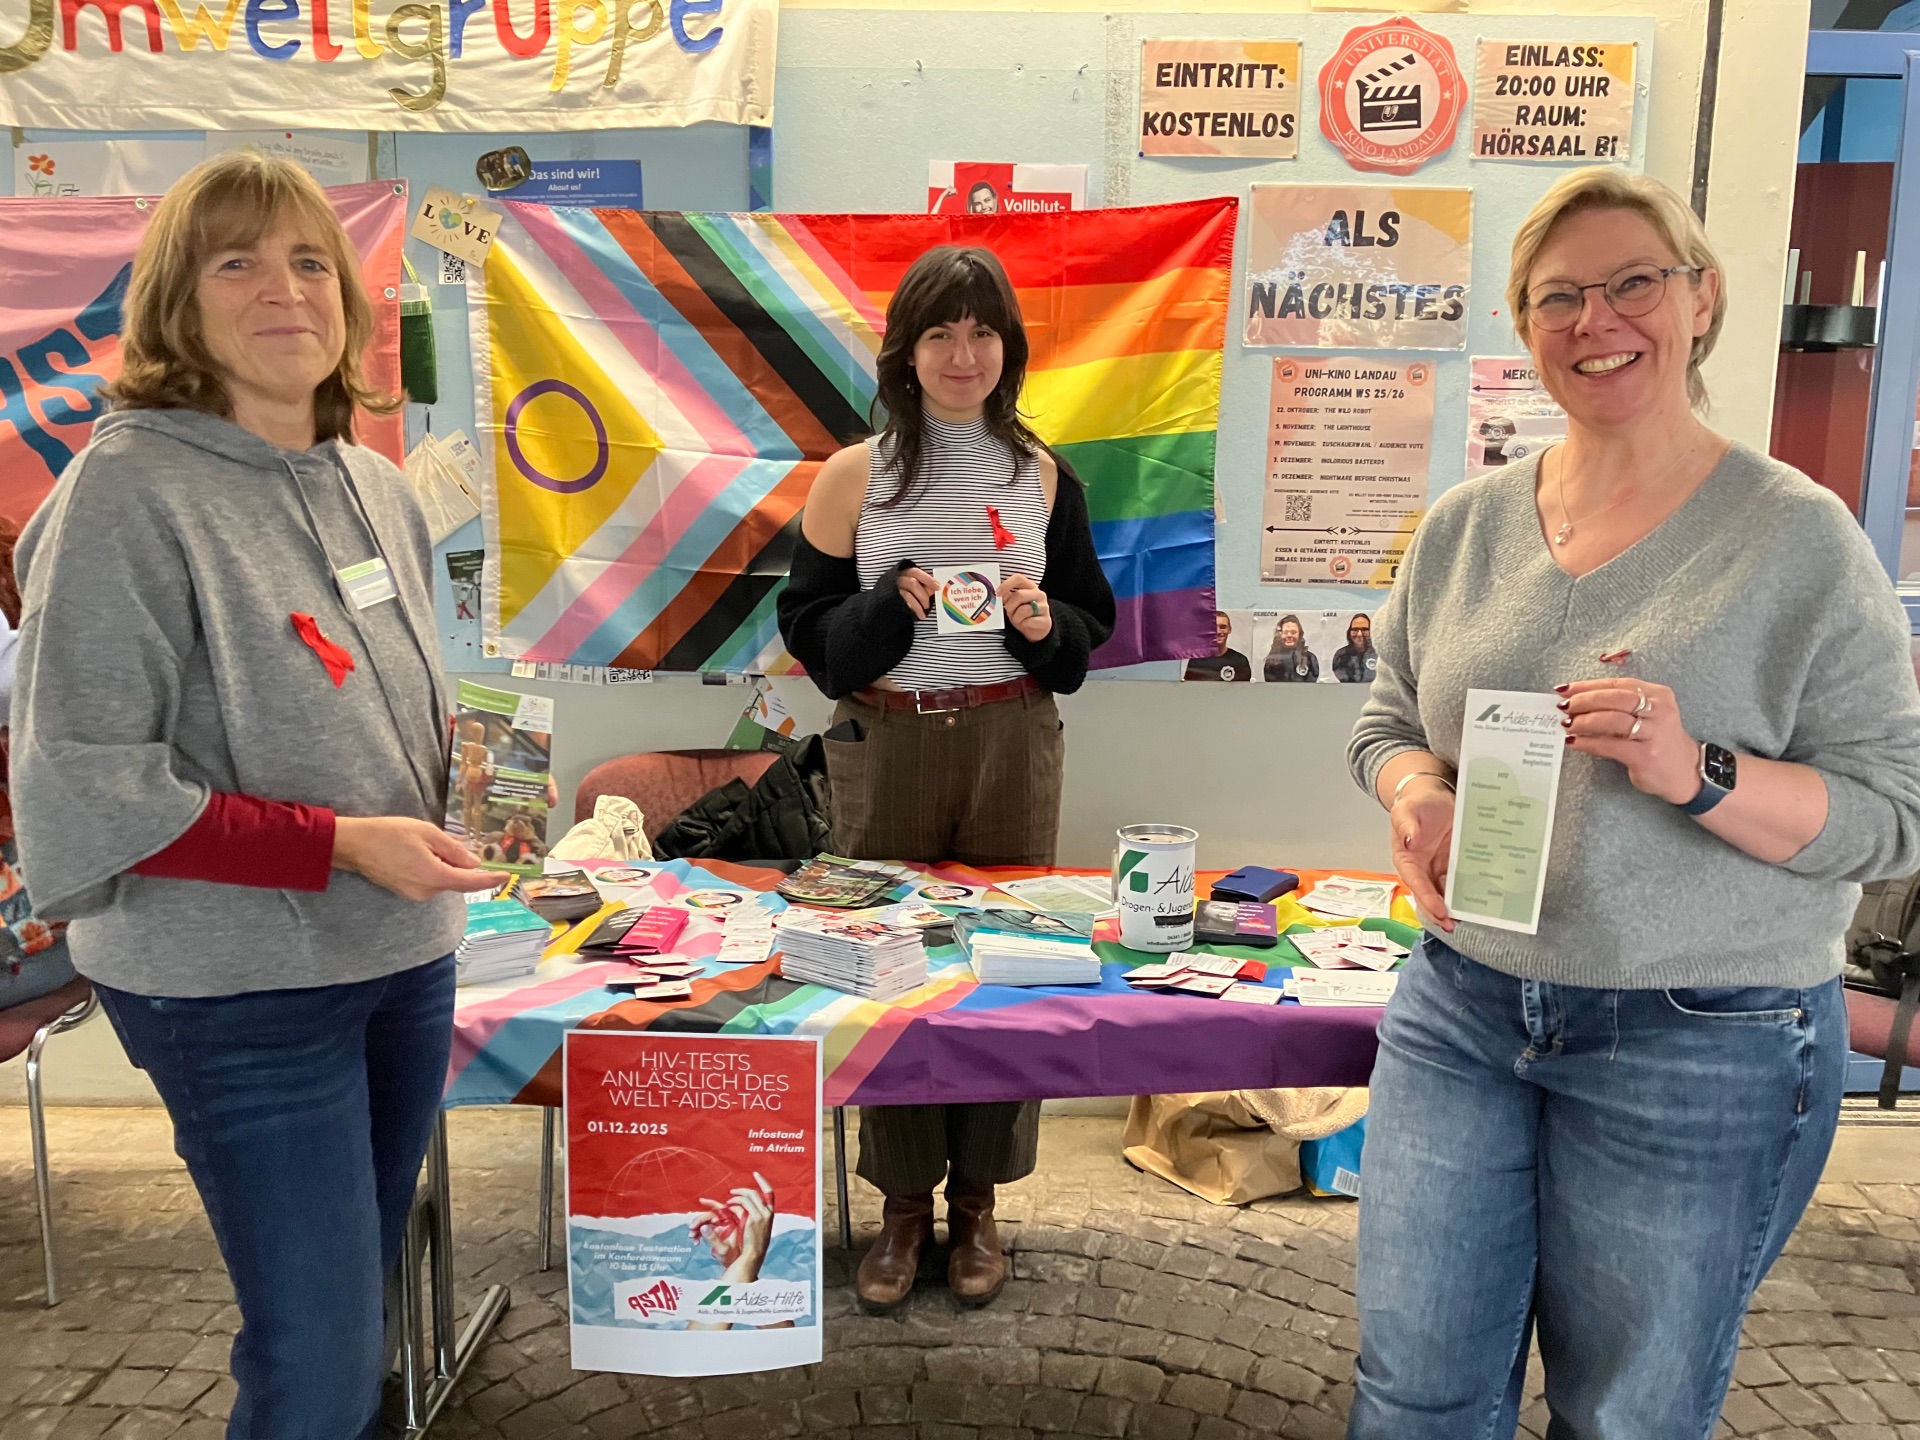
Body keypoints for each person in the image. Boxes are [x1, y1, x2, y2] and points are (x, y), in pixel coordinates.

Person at [1346, 166, 1920, 1439]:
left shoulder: (1801, 539)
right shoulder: (1463, 529)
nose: (1595, 321)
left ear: (1700, 300)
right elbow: (1387, 718)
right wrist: (1416, 788)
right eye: (1560, 297)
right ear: (1526, 324)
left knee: (1627, 1419)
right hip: (1464, 1006)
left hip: (1704, 1036)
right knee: (1413, 1395)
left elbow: (1894, 813)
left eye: (1633, 284)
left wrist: (1702, 773)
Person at [11, 151, 497, 1440]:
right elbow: (87, 780)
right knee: (319, 1358)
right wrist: (342, 844)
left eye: (308, 261)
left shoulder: (373, 481)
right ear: (177, 302)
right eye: (237, 262)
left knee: (354, 1323)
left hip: (402, 961)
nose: (284, 290)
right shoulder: (124, 493)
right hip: (236, 996)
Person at [776, 244, 1115, 1314]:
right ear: (905, 351)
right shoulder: (854, 474)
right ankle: (901, 1205)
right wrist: (889, 608)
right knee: (891, 970)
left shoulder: (1046, 476)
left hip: (1013, 740)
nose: (963, 354)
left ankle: (978, 1203)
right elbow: (812, 638)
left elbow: (1088, 632)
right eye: (940, 333)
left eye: (983, 333)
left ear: (1009, 348)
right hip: (889, 746)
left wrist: (1044, 624)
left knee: (1010, 969)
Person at [1184, 610, 1253, 682]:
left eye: (1223, 627)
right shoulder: (1196, 660)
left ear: (1229, 630)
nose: (1218, 631)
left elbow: (1245, 688)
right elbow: (1189, 688)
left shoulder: (1240, 661)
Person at [1263, 613, 1318, 682]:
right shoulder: (1272, 660)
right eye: (1285, 632)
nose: (1289, 635)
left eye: (1293, 632)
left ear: (1299, 635)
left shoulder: (1310, 658)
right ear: (1280, 635)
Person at [1330, 613, 1377, 684]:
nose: (1359, 634)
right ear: (1349, 632)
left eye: (1364, 629)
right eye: (1355, 630)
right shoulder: (1341, 656)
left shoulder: (1379, 655)